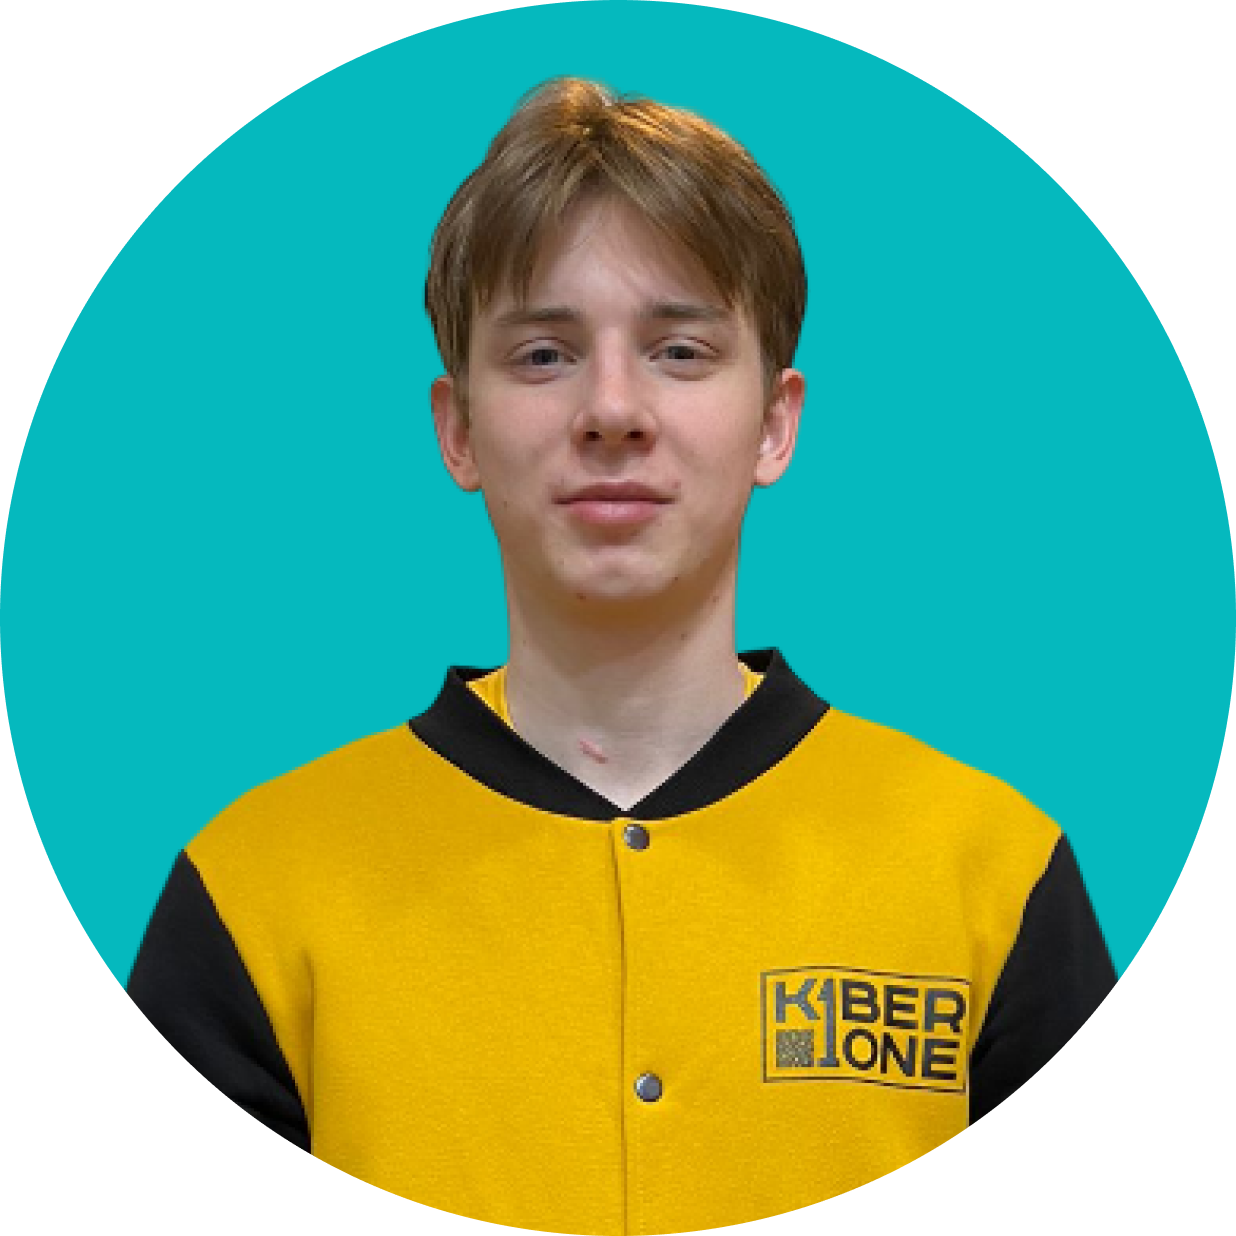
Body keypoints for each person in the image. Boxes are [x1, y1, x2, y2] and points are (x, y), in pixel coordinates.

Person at [126, 77, 1117, 1228]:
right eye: (544, 355)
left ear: (776, 422)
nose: (612, 409)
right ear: (457, 428)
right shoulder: (252, 891)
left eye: (680, 351)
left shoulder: (994, 873)